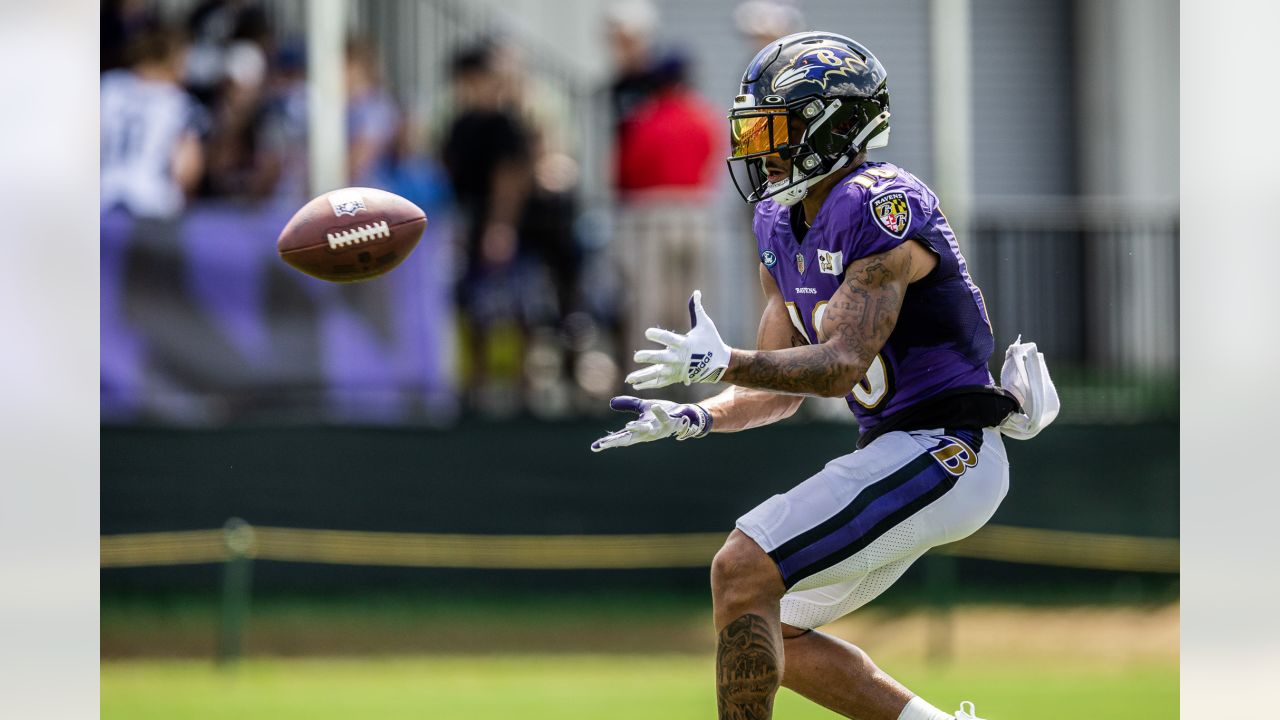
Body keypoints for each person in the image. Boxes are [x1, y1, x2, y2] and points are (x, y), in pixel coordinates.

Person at [592, 32, 1058, 720]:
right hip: (905, 451)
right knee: (763, 622)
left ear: (833, 125)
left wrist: (723, 359)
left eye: (774, 130)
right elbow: (772, 386)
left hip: (949, 447)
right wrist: (701, 413)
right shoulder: (779, 222)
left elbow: (840, 366)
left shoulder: (878, 204)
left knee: (742, 566)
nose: (758, 148)